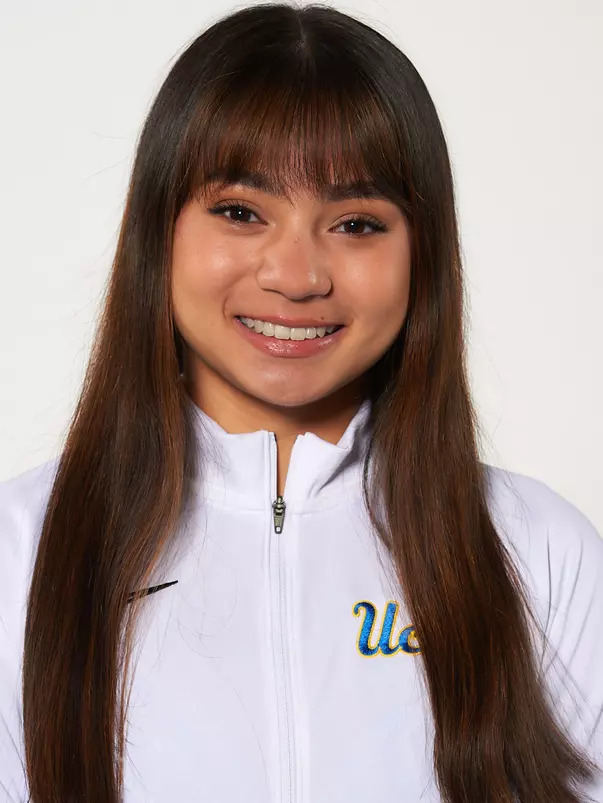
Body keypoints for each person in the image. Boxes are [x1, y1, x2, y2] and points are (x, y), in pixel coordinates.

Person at [1, 3, 602, 802]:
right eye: (240, 212)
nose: (296, 275)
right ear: (159, 230)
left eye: (355, 223)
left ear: (421, 253)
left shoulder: (535, 549)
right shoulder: (20, 551)